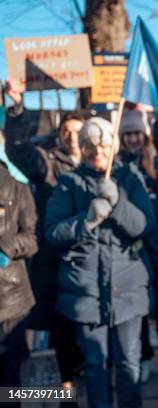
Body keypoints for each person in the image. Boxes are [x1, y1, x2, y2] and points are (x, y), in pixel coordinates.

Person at [45, 117, 155, 408]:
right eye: (90, 146)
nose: (97, 152)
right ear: (82, 148)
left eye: (103, 145)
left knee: (129, 364)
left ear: (113, 147)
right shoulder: (69, 183)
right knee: (96, 365)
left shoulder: (131, 178)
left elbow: (145, 224)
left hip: (128, 292)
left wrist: (118, 203)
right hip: (86, 295)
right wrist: (87, 220)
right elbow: (53, 232)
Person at [3, 78, 85, 393]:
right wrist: (18, 109)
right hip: (55, 275)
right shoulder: (48, 165)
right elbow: (20, 150)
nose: (72, 138)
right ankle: (62, 395)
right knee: (59, 347)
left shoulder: (105, 166)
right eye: (66, 132)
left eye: (78, 132)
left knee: (88, 351)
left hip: (89, 275)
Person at [118, 110, 158, 383]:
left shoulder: (155, 162)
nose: (132, 139)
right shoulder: (116, 166)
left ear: (144, 135)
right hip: (132, 252)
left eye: (136, 133)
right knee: (138, 310)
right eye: (127, 134)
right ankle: (141, 357)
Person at [0, 159, 38, 406]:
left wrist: (7, 245)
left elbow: (32, 238)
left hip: (10, 300)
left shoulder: (16, 185)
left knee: (8, 381)